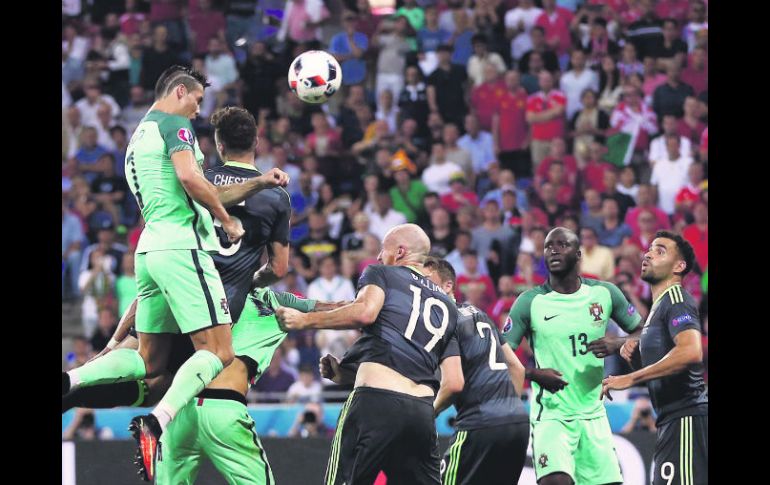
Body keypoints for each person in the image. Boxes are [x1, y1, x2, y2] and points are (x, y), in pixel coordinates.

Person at [61, 90, 289, 481]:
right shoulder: (276, 196)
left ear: (217, 144)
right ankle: (156, 422)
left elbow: (171, 241)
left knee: (147, 368)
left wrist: (115, 340)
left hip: (169, 276)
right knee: (169, 380)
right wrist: (252, 279)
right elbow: (279, 268)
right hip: (216, 302)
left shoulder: (201, 180)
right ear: (257, 141)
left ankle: (73, 390)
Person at [276, 224, 460, 485]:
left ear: (399, 252)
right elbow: (416, 359)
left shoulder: (384, 274)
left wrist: (305, 320)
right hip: (421, 412)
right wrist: (347, 371)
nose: (377, 257)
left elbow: (364, 312)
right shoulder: (448, 306)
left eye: (382, 251)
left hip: (375, 404)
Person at [505, 227, 642, 485]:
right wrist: (534, 374)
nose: (553, 250)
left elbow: (643, 332)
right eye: (548, 246)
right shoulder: (530, 301)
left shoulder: (604, 293)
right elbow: (500, 356)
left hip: (594, 415)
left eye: (562, 245)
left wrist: (618, 342)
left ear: (578, 255)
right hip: (552, 416)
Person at [602, 231, 707, 485]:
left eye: (660, 251)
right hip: (670, 421)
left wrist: (631, 376)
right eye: (649, 249)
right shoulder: (657, 309)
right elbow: (665, 365)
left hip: (686, 418)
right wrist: (634, 356)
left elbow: (691, 351)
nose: (648, 253)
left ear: (679, 266)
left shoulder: (676, 298)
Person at [426, 259, 529, 485]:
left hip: (479, 425)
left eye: (428, 283)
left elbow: (453, 384)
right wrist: (505, 410)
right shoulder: (479, 314)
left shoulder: (445, 321)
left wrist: (427, 413)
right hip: (517, 423)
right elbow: (517, 368)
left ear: (447, 286)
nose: (423, 291)